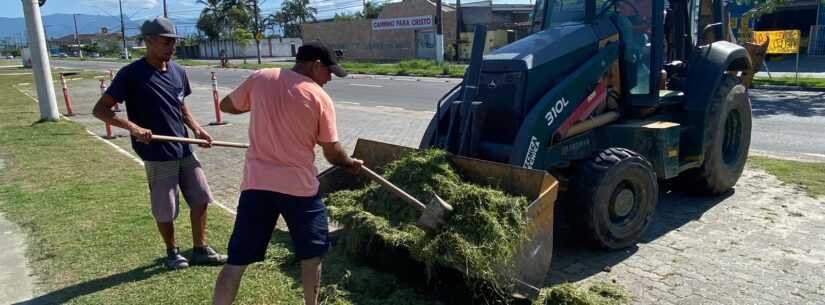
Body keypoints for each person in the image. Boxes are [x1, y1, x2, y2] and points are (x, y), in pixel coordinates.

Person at [211, 42, 362, 305]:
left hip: (257, 186)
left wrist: (260, 103)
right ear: (315, 65)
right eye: (329, 72)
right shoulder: (318, 97)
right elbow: (332, 153)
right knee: (311, 256)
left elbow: (227, 105)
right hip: (299, 190)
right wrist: (350, 163)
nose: (329, 79)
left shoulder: (262, 77)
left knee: (237, 260)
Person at [92, 16, 227, 270]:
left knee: (200, 198)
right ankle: (172, 252)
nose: (171, 48)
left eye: (173, 42)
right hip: (156, 152)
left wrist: (197, 130)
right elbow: (100, 110)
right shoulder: (131, 75)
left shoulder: (178, 71)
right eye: (166, 43)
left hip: (184, 148)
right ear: (149, 41)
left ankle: (199, 249)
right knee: (166, 208)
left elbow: (181, 107)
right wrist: (133, 128)